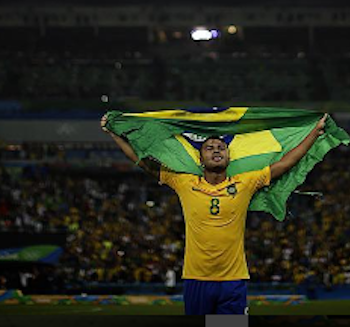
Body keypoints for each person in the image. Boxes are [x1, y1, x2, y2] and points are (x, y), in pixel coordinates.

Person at [102, 112, 328, 315]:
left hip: (233, 280)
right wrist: (115, 134)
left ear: (229, 157)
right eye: (209, 148)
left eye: (221, 148)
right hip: (196, 280)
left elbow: (286, 162)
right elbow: (141, 162)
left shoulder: (245, 182)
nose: (216, 150)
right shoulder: (184, 182)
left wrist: (315, 132)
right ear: (201, 160)